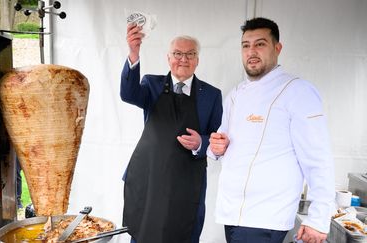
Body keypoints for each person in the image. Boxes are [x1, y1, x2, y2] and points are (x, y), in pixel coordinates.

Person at [207, 17, 335, 243]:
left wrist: (318, 218)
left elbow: (318, 159)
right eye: (246, 45)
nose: (251, 51)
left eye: (260, 44)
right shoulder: (235, 95)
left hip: (266, 217)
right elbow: (221, 142)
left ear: (277, 48)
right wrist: (216, 147)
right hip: (231, 213)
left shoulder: (298, 91)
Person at [121, 23, 223, 243]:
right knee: (145, 232)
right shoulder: (152, 84)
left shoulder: (212, 95)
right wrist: (134, 53)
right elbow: (128, 94)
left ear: (197, 60)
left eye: (190, 54)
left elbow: (218, 138)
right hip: (150, 177)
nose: (183, 59)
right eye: (177, 54)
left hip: (187, 184)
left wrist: (201, 143)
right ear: (168, 58)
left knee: (183, 233)